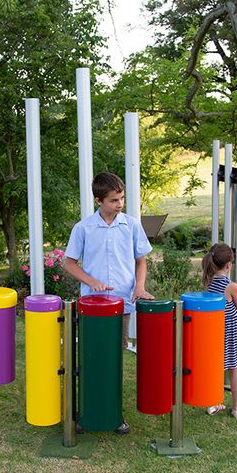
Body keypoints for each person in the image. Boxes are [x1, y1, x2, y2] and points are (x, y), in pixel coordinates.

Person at [64, 172, 154, 434]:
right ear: (99, 200)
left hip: (123, 305)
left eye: (122, 198)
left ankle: (114, 414)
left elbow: (141, 260)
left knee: (114, 359)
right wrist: (92, 281)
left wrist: (139, 286)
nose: (120, 204)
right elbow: (69, 263)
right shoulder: (83, 229)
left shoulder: (131, 225)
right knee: (90, 358)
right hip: (91, 307)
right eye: (114, 200)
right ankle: (86, 413)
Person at [201, 242, 237, 419]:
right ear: (229, 265)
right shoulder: (231, 286)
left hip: (216, 330)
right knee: (235, 368)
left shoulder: (209, 281)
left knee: (216, 368)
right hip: (231, 332)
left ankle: (214, 403)